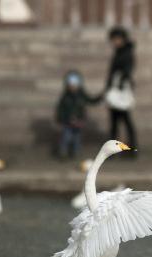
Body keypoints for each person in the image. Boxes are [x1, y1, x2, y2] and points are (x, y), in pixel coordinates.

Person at [104, 27, 138, 158]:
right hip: (115, 90)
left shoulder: (127, 52)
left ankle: (131, 150)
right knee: (114, 122)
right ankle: (112, 150)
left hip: (120, 92)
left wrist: (121, 80)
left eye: (117, 39)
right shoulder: (119, 52)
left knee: (125, 121)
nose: (115, 42)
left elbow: (127, 70)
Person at [54, 71, 100, 159]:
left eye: (75, 85)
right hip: (68, 122)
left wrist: (100, 97)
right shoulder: (65, 97)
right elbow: (60, 109)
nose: (73, 87)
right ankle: (63, 152)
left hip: (79, 122)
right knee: (66, 137)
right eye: (71, 85)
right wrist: (60, 119)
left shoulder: (81, 95)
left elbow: (91, 100)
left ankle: (75, 153)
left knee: (77, 138)